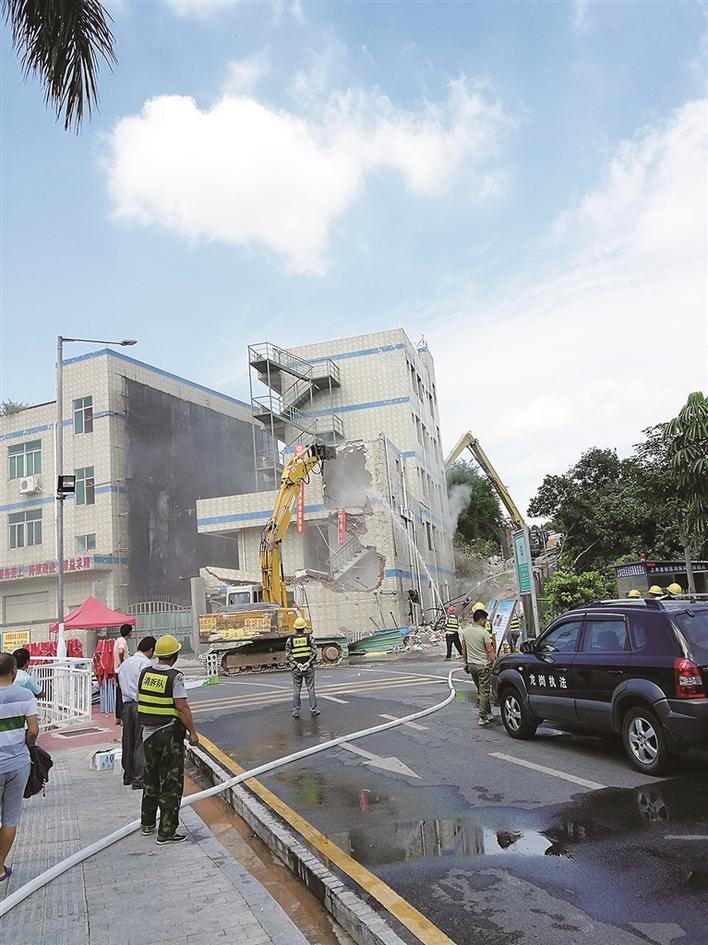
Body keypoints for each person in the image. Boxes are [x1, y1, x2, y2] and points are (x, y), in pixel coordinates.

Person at [137, 634, 199, 844]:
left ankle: (147, 824)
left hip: (147, 734)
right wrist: (192, 732)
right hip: (168, 734)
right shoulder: (175, 677)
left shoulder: (145, 673)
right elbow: (182, 707)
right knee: (170, 783)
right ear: (174, 655)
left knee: (151, 779)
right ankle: (166, 831)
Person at [0, 652, 39, 881]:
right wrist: (28, 744)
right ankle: (0, 866)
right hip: (17, 762)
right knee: (10, 818)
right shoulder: (25, 695)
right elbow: (33, 730)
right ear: (14, 671)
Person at [117, 636, 156, 790]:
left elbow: (119, 688)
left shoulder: (125, 664)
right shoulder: (145, 664)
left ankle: (128, 775)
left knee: (128, 741)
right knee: (141, 742)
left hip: (126, 706)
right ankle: (139, 778)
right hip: (140, 705)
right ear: (151, 650)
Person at [460, 607, 497, 726]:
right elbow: (490, 651)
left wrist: (465, 663)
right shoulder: (484, 633)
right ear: (481, 620)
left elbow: (463, 650)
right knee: (484, 692)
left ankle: (489, 712)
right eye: (485, 620)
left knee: (480, 690)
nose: (485, 622)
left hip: (472, 666)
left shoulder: (465, 632)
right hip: (483, 666)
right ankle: (482, 716)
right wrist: (496, 663)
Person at [286, 617, 320, 718]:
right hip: (308, 668)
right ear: (304, 628)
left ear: (295, 628)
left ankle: (296, 711)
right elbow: (314, 652)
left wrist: (297, 664)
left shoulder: (290, 640)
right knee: (310, 688)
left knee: (296, 690)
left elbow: (288, 655)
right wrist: (308, 663)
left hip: (296, 669)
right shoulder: (309, 638)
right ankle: (313, 709)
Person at [113, 624, 133, 725]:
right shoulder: (123, 641)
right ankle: (123, 718)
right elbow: (121, 651)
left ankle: (118, 717)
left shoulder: (117, 640)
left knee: (119, 693)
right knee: (124, 694)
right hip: (121, 670)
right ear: (129, 632)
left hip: (117, 670)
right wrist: (122, 662)